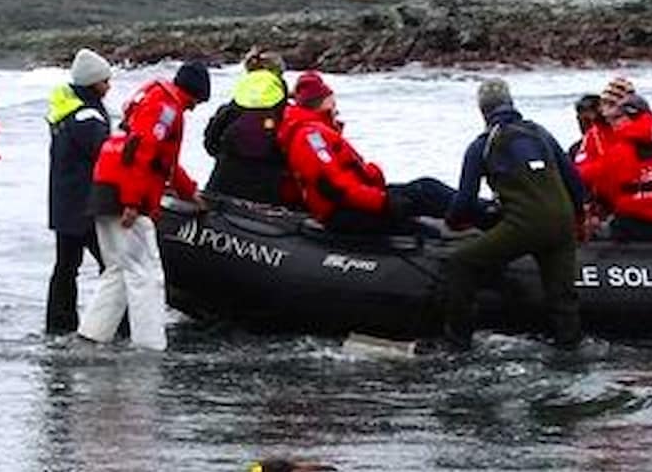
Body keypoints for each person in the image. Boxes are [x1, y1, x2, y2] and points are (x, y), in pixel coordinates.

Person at [78, 60, 210, 351]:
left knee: (117, 269)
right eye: (196, 102)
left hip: (105, 187)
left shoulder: (152, 100)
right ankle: (150, 347)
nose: (193, 109)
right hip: (126, 195)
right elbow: (144, 155)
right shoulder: (166, 109)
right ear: (193, 93)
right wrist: (133, 202)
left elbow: (165, 163)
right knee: (146, 273)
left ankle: (91, 335)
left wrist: (189, 193)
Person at [444, 78, 584, 350]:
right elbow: (574, 183)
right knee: (563, 297)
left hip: (526, 224)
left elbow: (464, 201)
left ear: (482, 111)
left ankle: (457, 343)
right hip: (563, 222)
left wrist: (452, 222)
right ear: (511, 103)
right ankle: (570, 347)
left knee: (461, 262)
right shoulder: (541, 133)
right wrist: (579, 218)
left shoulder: (482, 144)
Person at [277, 71, 455, 234]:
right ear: (322, 103)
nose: (336, 108)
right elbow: (333, 186)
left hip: (359, 199)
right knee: (422, 222)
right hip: (344, 210)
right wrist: (382, 202)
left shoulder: (317, 130)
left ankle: (475, 211)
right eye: (332, 102)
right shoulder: (312, 136)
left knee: (426, 188)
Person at [45, 47, 113, 333]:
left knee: (66, 265)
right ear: (94, 83)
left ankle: (59, 322)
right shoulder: (89, 118)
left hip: (64, 201)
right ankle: (109, 321)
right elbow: (106, 154)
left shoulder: (65, 111)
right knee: (112, 266)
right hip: (86, 204)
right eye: (106, 80)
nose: (109, 86)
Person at [576, 77, 652, 240]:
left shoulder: (621, 150)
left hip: (631, 219)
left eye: (613, 107)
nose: (607, 113)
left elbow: (606, 183)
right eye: (605, 105)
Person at [202, 49, 293, 204]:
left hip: (222, 185)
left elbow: (210, 143)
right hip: (267, 193)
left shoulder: (230, 109)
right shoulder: (285, 112)